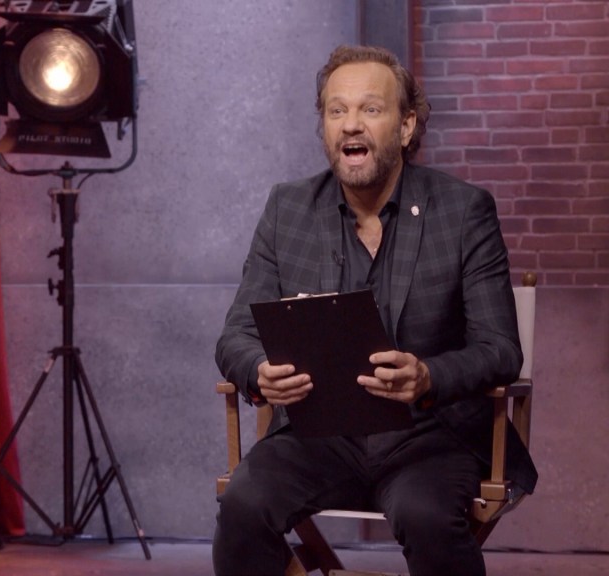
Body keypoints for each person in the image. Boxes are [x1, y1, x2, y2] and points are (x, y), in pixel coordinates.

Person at [213, 45, 537, 576]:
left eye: (370, 108)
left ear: (406, 127)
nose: (350, 124)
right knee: (243, 506)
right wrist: (258, 370)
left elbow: (500, 350)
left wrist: (428, 375)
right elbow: (235, 337)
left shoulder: (463, 211)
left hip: (430, 436)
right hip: (318, 436)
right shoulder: (287, 209)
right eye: (336, 110)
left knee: (426, 517)